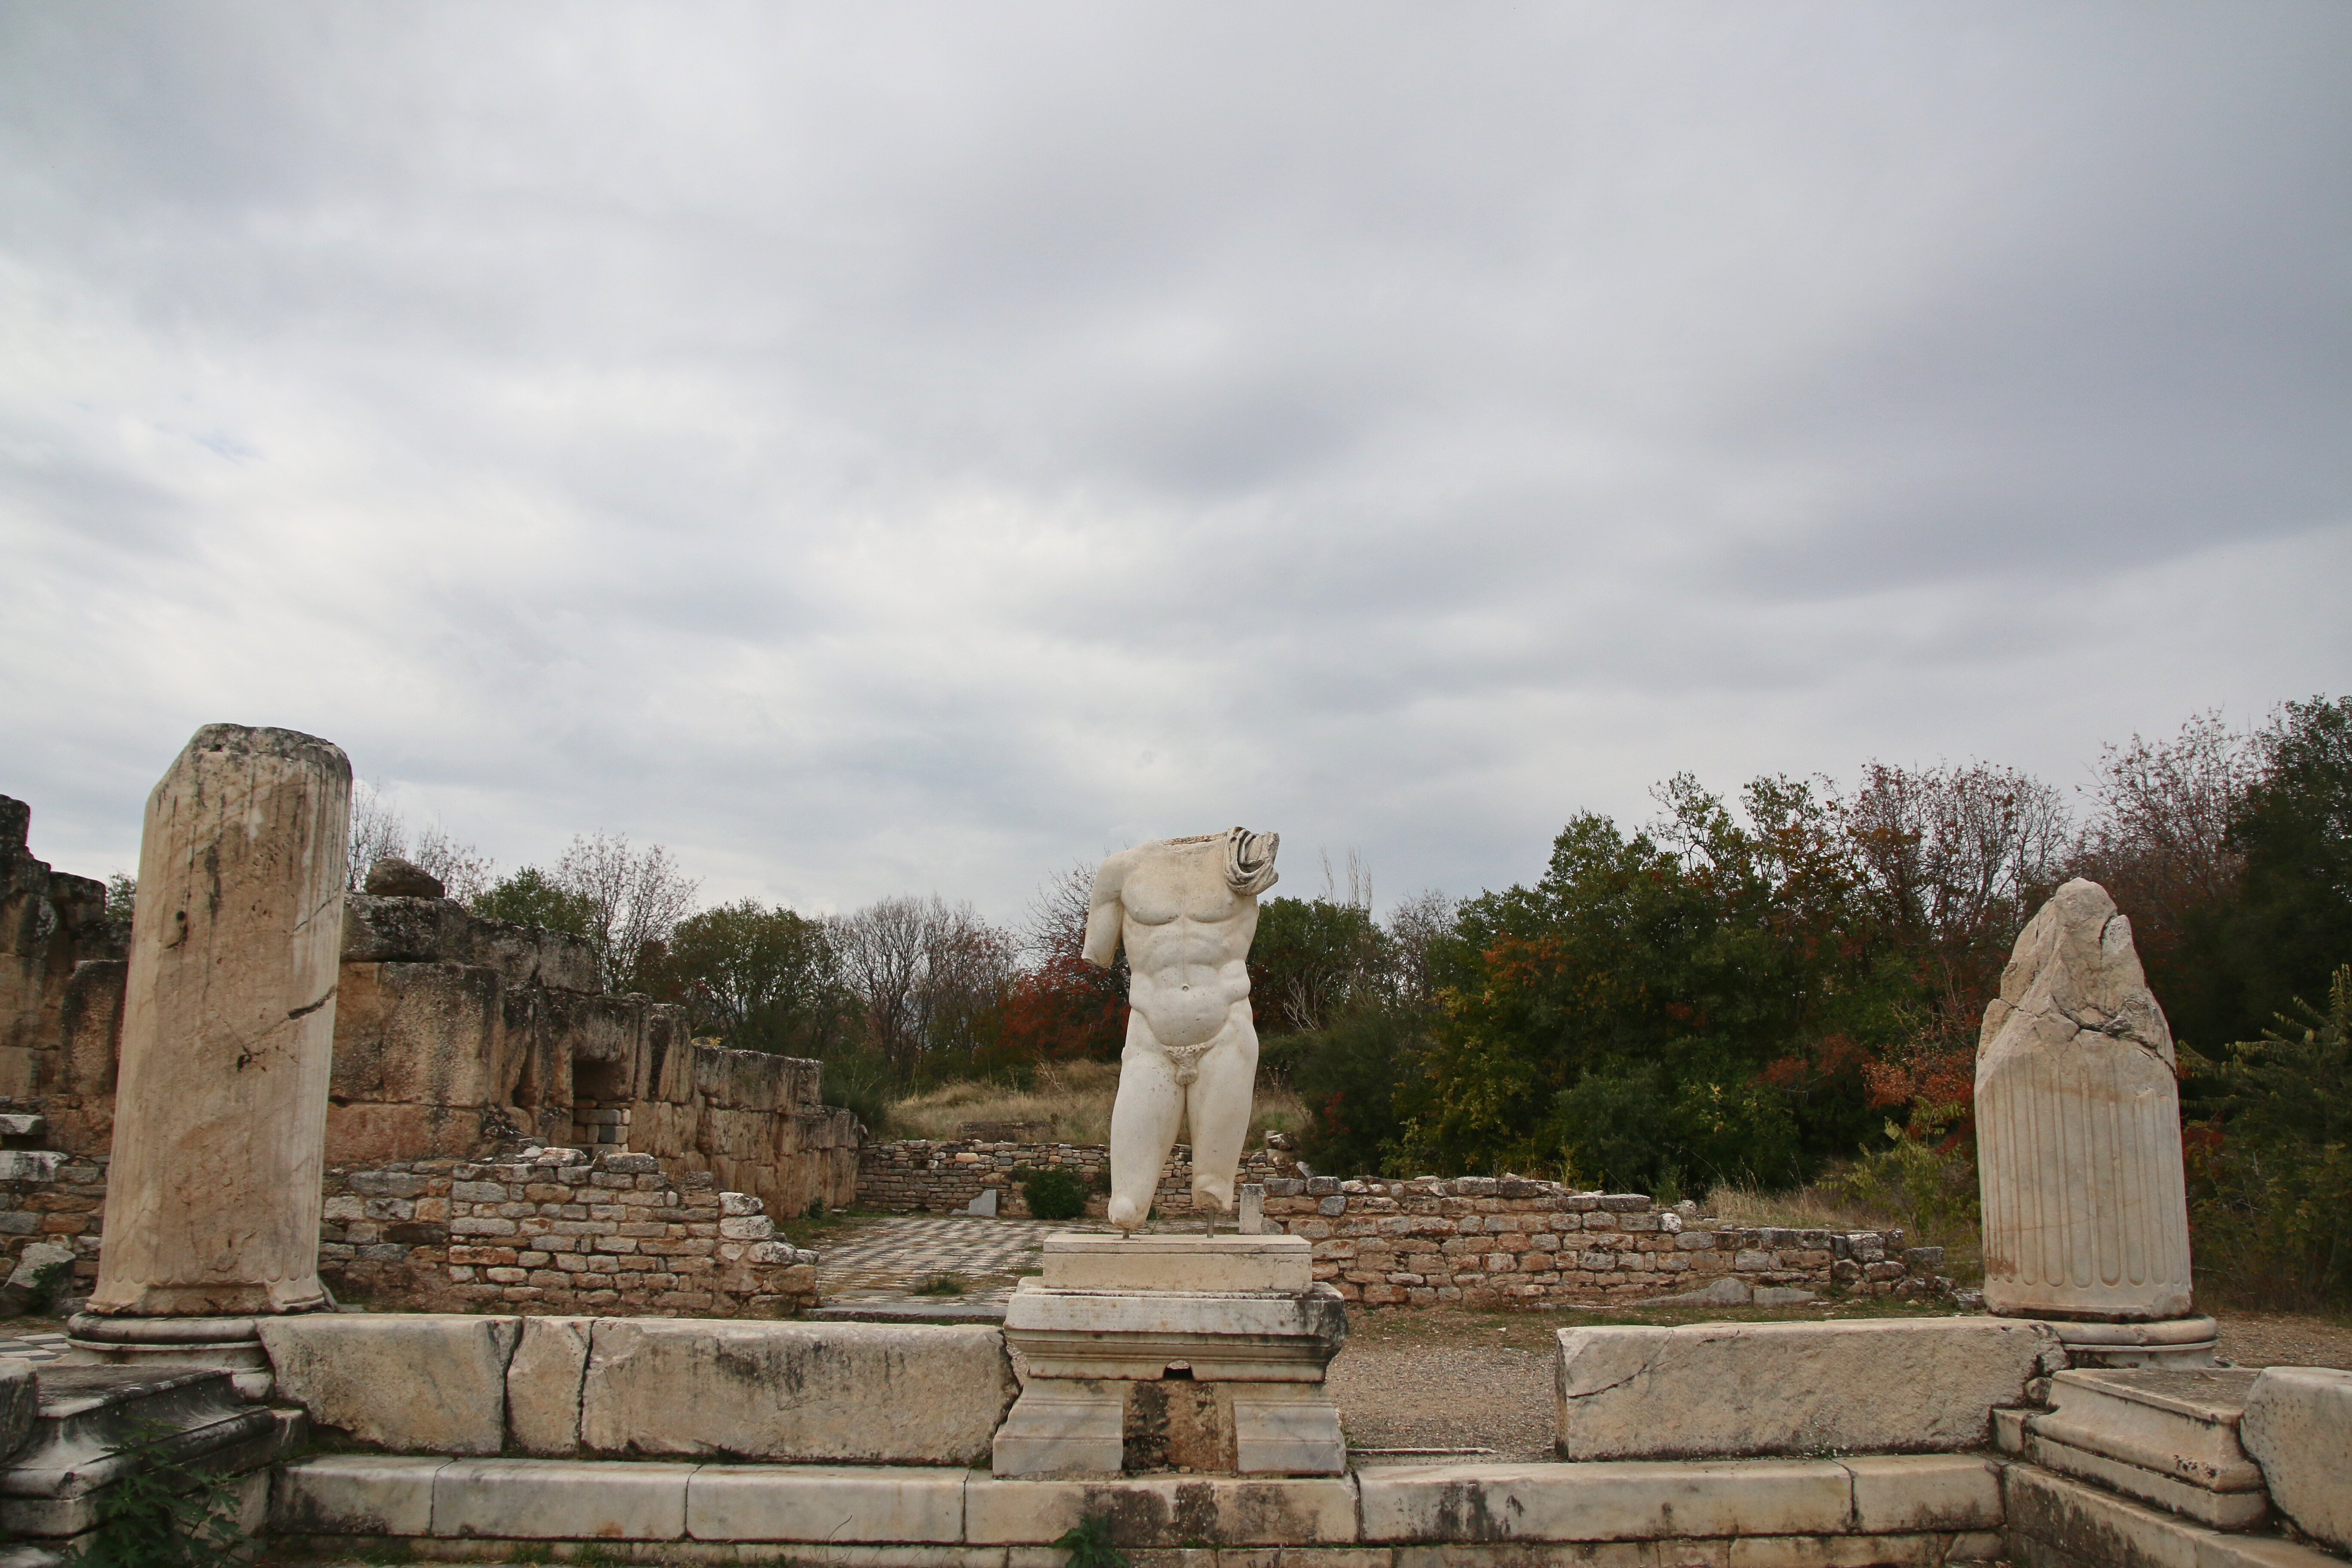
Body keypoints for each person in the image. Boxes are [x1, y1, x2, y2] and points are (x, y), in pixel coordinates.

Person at [1083, 826, 1279, 1233]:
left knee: (1213, 1188)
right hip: (1150, 1036)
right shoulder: (1120, 871)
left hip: (1227, 1031)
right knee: (1125, 1204)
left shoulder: (1246, 857)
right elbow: (1099, 952)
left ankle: (1210, 1200)